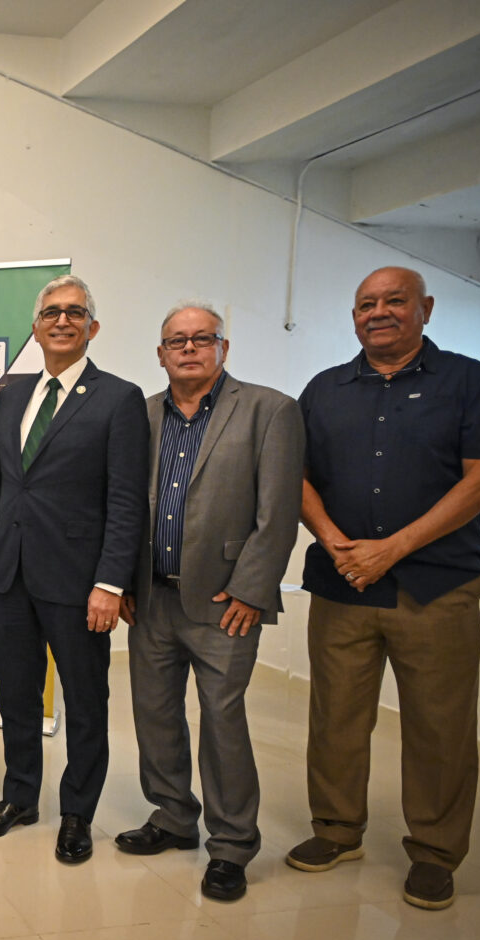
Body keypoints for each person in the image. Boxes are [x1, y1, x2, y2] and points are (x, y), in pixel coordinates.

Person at [288, 266, 480, 910]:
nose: (380, 312)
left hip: (436, 589)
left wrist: (393, 548)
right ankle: (336, 831)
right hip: (343, 586)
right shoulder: (325, 390)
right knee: (335, 719)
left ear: (426, 308)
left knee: (439, 727)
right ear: (354, 315)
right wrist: (337, 543)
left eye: (395, 301)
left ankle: (435, 853)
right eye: (367, 303)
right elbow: (294, 476)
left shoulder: (471, 382)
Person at [113, 301, 304, 902]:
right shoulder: (139, 416)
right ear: (161, 352)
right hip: (151, 598)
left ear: (224, 348)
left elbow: (278, 513)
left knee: (222, 721)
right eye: (177, 341)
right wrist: (120, 581)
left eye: (202, 339)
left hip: (226, 603)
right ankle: (172, 816)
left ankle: (231, 844)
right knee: (155, 715)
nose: (189, 349)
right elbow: (120, 505)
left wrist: (252, 587)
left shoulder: (270, 410)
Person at [0, 274, 148, 864]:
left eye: (75, 313)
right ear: (35, 326)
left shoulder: (118, 398)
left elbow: (126, 500)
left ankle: (77, 812)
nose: (63, 322)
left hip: (79, 583)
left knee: (85, 699)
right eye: (52, 313)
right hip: (10, 575)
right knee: (17, 696)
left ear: (92, 328)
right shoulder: (11, 393)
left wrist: (109, 583)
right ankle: (20, 796)